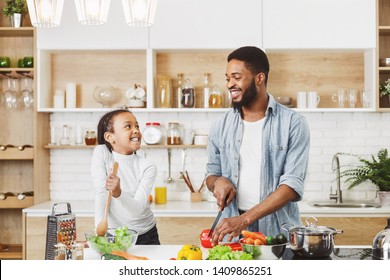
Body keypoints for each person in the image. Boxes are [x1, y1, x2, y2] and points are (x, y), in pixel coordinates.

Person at [206, 46, 310, 243]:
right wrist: (218, 182)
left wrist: (244, 220)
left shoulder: (293, 123)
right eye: (227, 78)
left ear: (259, 78)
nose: (230, 84)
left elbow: (291, 185)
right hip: (232, 233)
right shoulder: (221, 125)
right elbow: (211, 174)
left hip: (278, 233)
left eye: (236, 77)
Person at [91, 108, 160, 245]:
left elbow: (138, 208)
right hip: (113, 234)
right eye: (128, 126)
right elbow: (101, 193)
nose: (136, 130)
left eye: (137, 126)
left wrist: (118, 193)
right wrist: (100, 231)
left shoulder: (148, 166)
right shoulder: (102, 153)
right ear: (110, 137)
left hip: (144, 235)